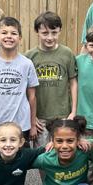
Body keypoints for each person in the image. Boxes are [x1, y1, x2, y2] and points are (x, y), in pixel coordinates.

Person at [0, 16, 39, 143]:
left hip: (22, 124)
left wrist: (33, 124)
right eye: (4, 33)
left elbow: (32, 96)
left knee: (21, 153)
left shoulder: (27, 64)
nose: (9, 36)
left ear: (20, 38)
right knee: (0, 153)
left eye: (13, 33)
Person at [25, 11, 77, 148]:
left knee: (62, 150)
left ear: (60, 31)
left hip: (62, 115)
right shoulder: (29, 56)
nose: (50, 37)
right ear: (37, 32)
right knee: (43, 154)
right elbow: (25, 89)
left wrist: (73, 111)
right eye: (45, 33)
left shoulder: (67, 53)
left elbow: (73, 82)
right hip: (40, 118)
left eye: (54, 33)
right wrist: (32, 117)